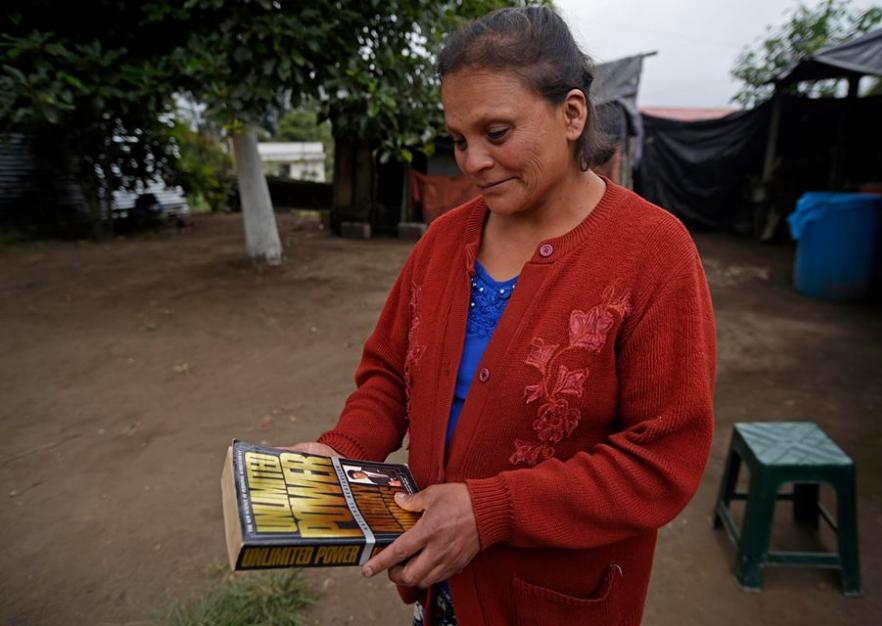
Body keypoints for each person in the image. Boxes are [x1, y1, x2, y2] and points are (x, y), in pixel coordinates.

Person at [286, 7, 715, 626]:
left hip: (556, 602)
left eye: (497, 132)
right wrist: (342, 453)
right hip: (442, 588)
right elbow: (386, 374)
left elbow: (662, 459)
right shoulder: (443, 242)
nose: (472, 162)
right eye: (459, 139)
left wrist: (491, 511)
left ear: (572, 114)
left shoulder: (654, 252)